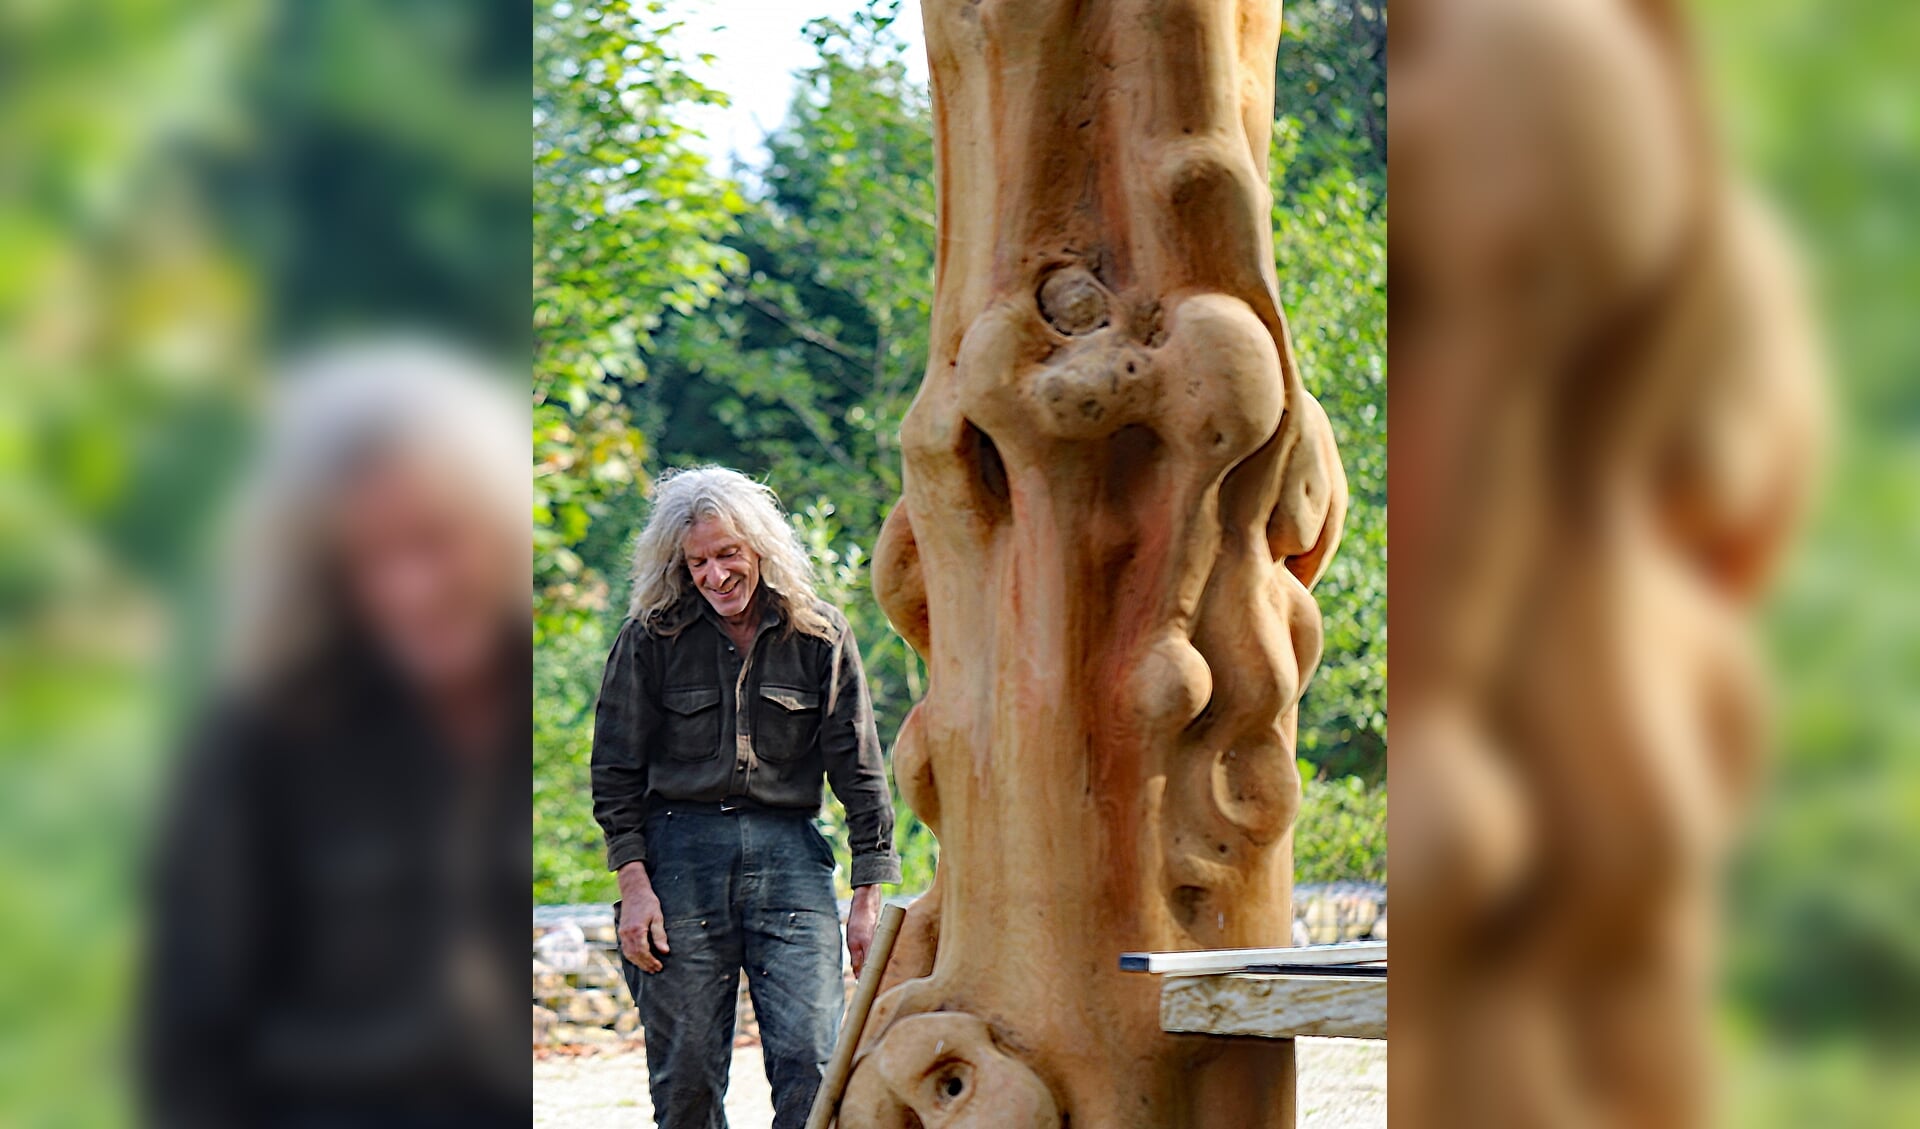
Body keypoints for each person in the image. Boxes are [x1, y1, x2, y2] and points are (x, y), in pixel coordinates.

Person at [141, 340, 532, 1127]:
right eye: (366, 558)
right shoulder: (259, 741)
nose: (407, 590)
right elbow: (191, 1032)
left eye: (435, 539)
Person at [592, 466, 900, 1129]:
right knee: (688, 1075)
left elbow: (861, 772)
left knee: (814, 1063)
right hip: (679, 857)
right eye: (698, 561)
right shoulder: (651, 638)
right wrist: (636, 886)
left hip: (791, 856)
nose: (715, 574)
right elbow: (613, 775)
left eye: (729, 553)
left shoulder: (820, 635)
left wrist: (869, 897)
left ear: (760, 546)